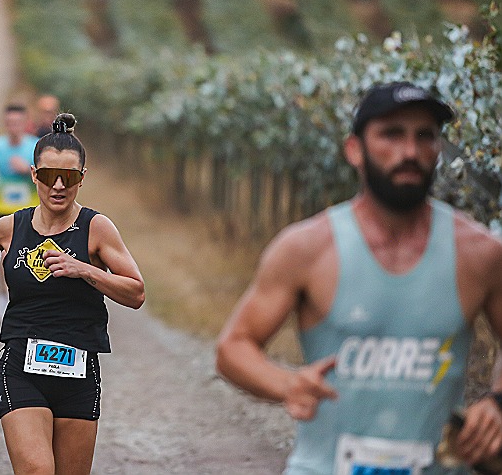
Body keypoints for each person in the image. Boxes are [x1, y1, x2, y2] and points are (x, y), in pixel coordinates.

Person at [215, 82, 502, 473]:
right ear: (355, 150)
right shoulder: (307, 248)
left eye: (425, 137)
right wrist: (286, 384)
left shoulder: (479, 253)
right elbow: (233, 346)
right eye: (392, 134)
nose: (410, 152)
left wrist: (496, 402)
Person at [0, 113, 145, 475]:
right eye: (47, 176)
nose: (58, 186)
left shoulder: (96, 228)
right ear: (33, 175)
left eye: (69, 177)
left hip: (78, 370)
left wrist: (84, 270)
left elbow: (136, 292)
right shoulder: (12, 226)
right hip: (21, 368)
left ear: (82, 178)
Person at [0, 104, 40, 321]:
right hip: (4, 208)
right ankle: (4, 296)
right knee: (5, 255)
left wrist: (26, 170)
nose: (13, 127)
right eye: (9, 123)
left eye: (17, 123)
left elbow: (44, 177)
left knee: (33, 255)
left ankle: (32, 299)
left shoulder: (36, 146)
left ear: (25, 123)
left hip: (31, 209)